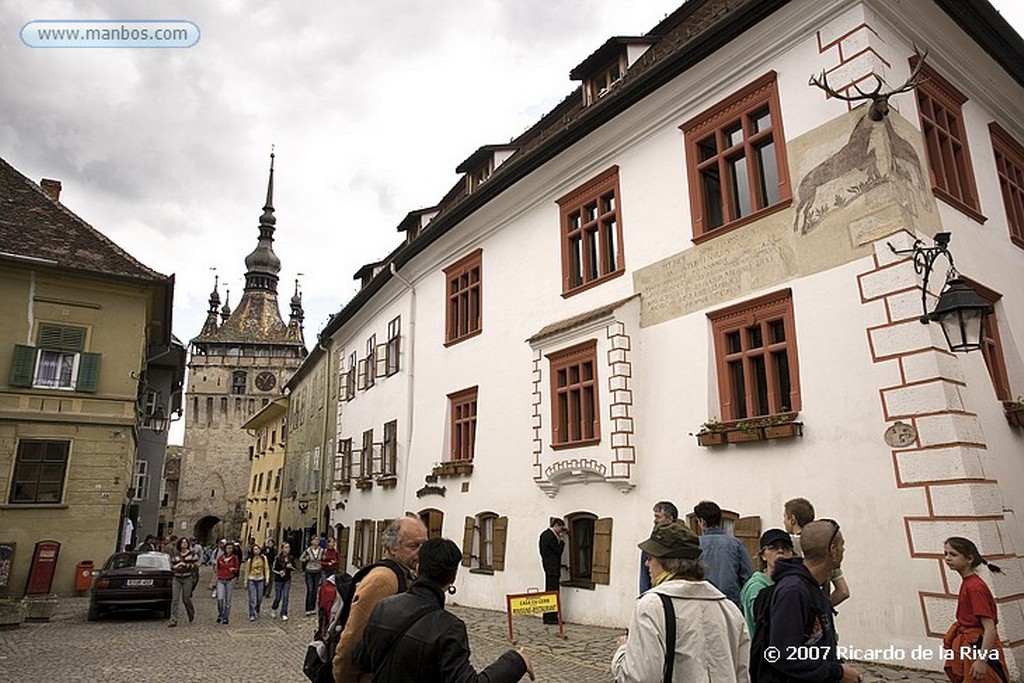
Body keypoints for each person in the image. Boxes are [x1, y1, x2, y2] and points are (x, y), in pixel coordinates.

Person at [355, 538, 533, 682]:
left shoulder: (384, 606)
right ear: (454, 575)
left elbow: (361, 660)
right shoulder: (449, 627)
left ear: (418, 567)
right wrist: (517, 661)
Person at [611, 521, 749, 682]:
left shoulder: (652, 607)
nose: (647, 564)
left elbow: (639, 677)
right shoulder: (729, 609)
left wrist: (622, 651)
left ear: (666, 562)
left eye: (651, 557)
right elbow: (742, 675)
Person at [333, 515, 428, 683]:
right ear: (393, 548)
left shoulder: (407, 574)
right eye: (413, 546)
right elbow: (352, 637)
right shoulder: (382, 580)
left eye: (424, 545)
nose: (421, 552)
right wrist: (345, 678)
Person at [767, 520, 861, 683]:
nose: (843, 550)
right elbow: (783, 655)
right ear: (833, 550)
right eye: (841, 545)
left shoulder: (815, 586)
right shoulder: (793, 591)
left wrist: (838, 666)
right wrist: (836, 672)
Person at [942, 537, 1008, 683]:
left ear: (969, 558)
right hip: (971, 646)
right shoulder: (968, 583)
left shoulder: (974, 588)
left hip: (978, 646)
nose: (947, 558)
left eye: (953, 554)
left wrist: (982, 661)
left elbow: (989, 628)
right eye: (945, 554)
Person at [784, 497, 850, 606]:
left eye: (785, 517)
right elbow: (843, 591)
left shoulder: (787, 545)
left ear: (792, 520)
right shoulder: (827, 548)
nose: (783, 521)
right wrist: (823, 609)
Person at [692, 500, 752, 609]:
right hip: (731, 603)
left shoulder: (695, 545)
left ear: (702, 521)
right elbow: (746, 575)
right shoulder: (735, 543)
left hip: (703, 602)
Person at [739, 528, 794, 636]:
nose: (780, 551)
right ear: (763, 555)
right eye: (773, 547)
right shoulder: (756, 587)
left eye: (785, 547)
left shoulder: (792, 582)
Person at [640, 500, 677, 593]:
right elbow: (645, 580)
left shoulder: (681, 543)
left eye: (658, 517)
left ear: (669, 519)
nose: (655, 520)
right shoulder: (650, 545)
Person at [538, 518, 565, 625]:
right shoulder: (550, 536)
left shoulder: (544, 534)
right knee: (553, 591)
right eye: (560, 528)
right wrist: (562, 541)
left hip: (548, 566)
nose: (561, 531)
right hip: (552, 567)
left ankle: (549, 616)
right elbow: (558, 551)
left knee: (550, 590)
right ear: (557, 525)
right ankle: (551, 617)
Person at [167, 537, 198, 627]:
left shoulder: (192, 554)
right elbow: (171, 565)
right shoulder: (175, 554)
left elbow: (196, 566)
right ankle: (173, 619)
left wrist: (185, 565)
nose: (184, 544)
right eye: (182, 543)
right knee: (175, 599)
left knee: (186, 598)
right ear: (179, 544)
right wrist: (176, 567)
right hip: (176, 578)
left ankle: (190, 612)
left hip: (187, 578)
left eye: (185, 542)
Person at [212, 540, 240, 624]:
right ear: (225, 549)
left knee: (228, 600)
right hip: (221, 579)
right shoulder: (220, 558)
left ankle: (225, 617)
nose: (230, 549)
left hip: (230, 580)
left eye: (231, 548)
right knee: (220, 598)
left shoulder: (235, 558)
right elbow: (217, 569)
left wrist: (234, 570)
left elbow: (237, 568)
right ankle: (220, 613)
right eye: (228, 548)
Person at [300, 537, 324, 616]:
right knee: (310, 590)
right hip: (309, 571)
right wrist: (306, 559)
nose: (317, 541)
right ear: (311, 541)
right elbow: (301, 559)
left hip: (317, 571)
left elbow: (324, 557)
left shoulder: (321, 550)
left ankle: (313, 608)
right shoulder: (308, 550)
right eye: (315, 540)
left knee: (315, 590)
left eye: (318, 540)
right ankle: (308, 608)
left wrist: (324, 558)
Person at [245, 543, 269, 621]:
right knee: (252, 598)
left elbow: (266, 568)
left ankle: (257, 609)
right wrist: (246, 581)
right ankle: (252, 613)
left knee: (259, 598)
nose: (257, 550)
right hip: (252, 579)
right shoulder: (250, 560)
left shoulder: (263, 558)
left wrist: (267, 578)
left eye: (258, 549)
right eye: (255, 549)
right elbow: (247, 571)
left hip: (260, 579)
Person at [271, 541, 294, 620]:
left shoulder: (291, 557)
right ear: (282, 549)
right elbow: (273, 569)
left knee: (285, 596)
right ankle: (274, 607)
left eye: (288, 547)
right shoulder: (278, 558)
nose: (288, 549)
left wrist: (291, 567)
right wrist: (279, 572)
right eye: (286, 547)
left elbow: (294, 568)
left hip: (287, 579)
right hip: (278, 580)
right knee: (278, 597)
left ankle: (284, 613)